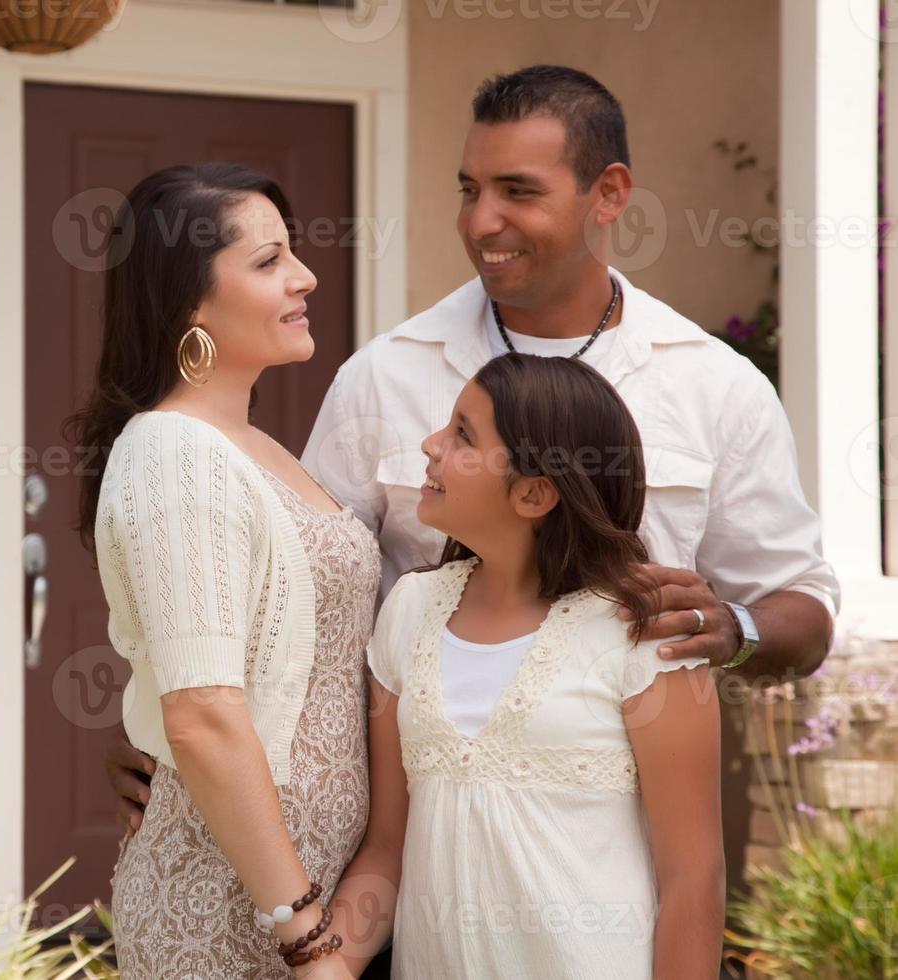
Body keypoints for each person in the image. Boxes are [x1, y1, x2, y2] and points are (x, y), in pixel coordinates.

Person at [103, 63, 838, 977]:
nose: (481, 220)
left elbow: (803, 609)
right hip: (391, 899)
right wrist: (170, 720)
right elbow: (278, 595)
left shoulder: (715, 387)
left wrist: (731, 628)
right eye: (469, 189)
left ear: (609, 194)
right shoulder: (381, 376)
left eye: (518, 191)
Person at [69, 162, 381, 977]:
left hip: (308, 906)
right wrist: (306, 937)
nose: (305, 276)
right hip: (234, 907)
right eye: (269, 261)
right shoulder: (175, 453)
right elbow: (202, 714)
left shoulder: (256, 448)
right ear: (190, 303)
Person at [330, 352, 724, 976]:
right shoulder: (408, 609)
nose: (431, 445)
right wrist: (324, 963)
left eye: (463, 434)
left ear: (535, 493)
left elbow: (691, 879)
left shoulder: (645, 635)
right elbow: (385, 851)